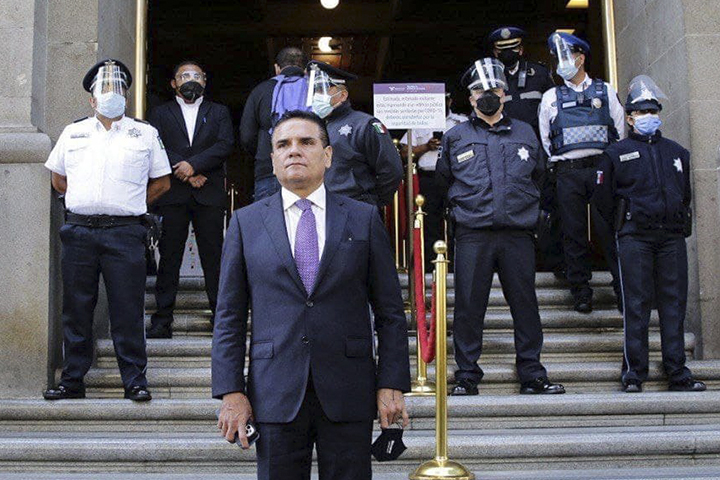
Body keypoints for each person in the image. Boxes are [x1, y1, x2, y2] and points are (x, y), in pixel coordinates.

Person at [212, 110, 411, 479]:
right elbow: (229, 317)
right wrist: (231, 392)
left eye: (306, 142)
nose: (294, 150)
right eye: (283, 144)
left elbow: (390, 313)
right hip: (274, 391)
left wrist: (392, 383)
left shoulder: (363, 218)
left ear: (328, 155)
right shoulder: (246, 223)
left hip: (349, 387)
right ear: (273, 159)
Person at [43, 59, 171, 402]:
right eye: (105, 90)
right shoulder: (73, 132)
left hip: (125, 233)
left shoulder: (144, 133)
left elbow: (162, 182)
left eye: (118, 89)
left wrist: (129, 203)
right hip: (79, 231)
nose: (112, 95)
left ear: (126, 96)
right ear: (92, 99)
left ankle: (135, 381)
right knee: (76, 309)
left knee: (127, 310)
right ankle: (72, 381)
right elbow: (58, 179)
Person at [437, 58, 564, 396]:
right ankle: (467, 374)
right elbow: (444, 181)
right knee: (468, 306)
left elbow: (539, 176)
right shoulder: (455, 136)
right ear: (470, 98)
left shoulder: (525, 132)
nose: (487, 95)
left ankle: (532, 373)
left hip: (517, 233)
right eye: (479, 90)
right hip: (472, 233)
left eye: (493, 88)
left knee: (525, 305)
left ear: (505, 94)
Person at [593, 75, 706, 393]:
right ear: (629, 118)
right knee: (636, 304)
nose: (648, 117)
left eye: (653, 111)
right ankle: (634, 372)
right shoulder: (616, 153)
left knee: (673, 304)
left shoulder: (677, 152)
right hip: (634, 237)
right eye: (641, 112)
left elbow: (684, 194)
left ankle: (677, 371)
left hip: (671, 237)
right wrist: (624, 223)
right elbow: (602, 200)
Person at [145, 60, 234, 339]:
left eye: (196, 75)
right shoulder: (160, 113)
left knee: (214, 258)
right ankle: (162, 321)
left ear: (205, 81)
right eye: (184, 75)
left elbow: (225, 144)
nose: (191, 79)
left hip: (208, 193)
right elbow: (156, 145)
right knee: (169, 258)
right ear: (174, 83)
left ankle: (221, 319)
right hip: (172, 194)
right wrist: (185, 172)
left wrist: (193, 166)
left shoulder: (219, 112)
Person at [538, 32, 625, 313]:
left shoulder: (605, 90)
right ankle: (580, 290)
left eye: (567, 56)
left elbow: (619, 130)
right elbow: (546, 140)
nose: (562, 63)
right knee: (572, 231)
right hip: (568, 171)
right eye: (558, 58)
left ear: (581, 58)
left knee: (609, 229)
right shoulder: (550, 97)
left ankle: (622, 287)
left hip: (601, 168)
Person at [488, 26, 565, 277]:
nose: (508, 53)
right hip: (504, 155)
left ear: (521, 49)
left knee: (547, 206)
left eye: (512, 49)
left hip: (538, 153)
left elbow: (555, 113)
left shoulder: (539, 74)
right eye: (502, 50)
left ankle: (552, 261)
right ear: (495, 53)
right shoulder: (490, 79)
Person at [306, 60, 403, 206]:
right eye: (314, 91)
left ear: (343, 95)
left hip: (355, 206)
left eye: (322, 89)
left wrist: (372, 202)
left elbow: (391, 170)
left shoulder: (364, 125)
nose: (316, 96)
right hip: (322, 207)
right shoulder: (314, 127)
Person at [399, 93, 467, 271]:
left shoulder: (462, 122)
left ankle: (459, 264)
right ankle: (432, 266)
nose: (440, 103)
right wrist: (426, 147)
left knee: (460, 220)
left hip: (458, 179)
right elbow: (404, 152)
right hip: (429, 179)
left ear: (450, 101)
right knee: (429, 222)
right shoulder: (419, 122)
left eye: (443, 100)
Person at [240, 46, 310, 201]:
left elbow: (247, 136)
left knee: (270, 216)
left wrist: (265, 152)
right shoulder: (316, 90)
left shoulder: (260, 91)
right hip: (310, 170)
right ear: (306, 70)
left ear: (277, 68)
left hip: (270, 169)